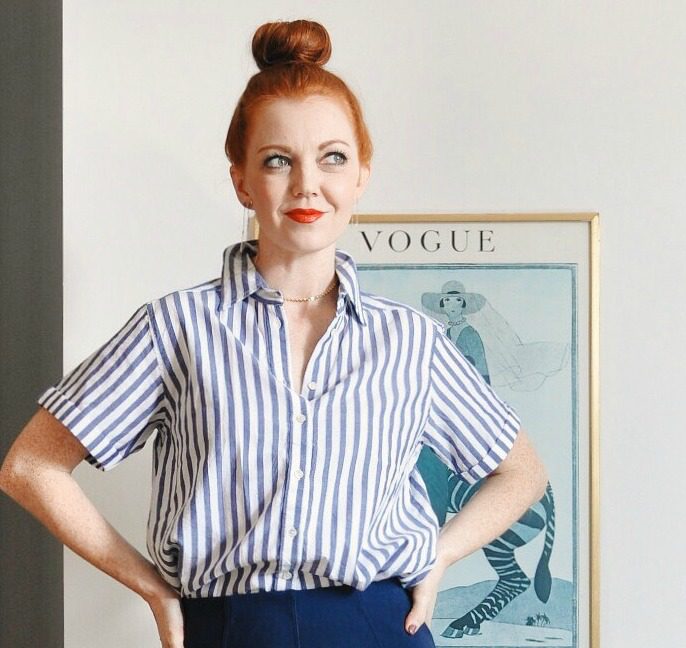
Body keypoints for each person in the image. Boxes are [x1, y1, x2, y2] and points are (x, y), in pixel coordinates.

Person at [0, 19, 548, 648]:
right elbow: (31, 466)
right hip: (230, 630)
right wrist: (150, 585)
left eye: (332, 158)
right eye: (278, 160)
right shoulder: (177, 327)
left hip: (379, 627)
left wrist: (441, 554)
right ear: (242, 180)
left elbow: (521, 472)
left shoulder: (411, 341)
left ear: (361, 176)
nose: (307, 183)